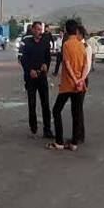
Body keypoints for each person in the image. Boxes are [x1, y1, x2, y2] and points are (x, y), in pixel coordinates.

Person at [48, 19, 86, 151]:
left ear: (66, 30)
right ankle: (74, 143)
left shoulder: (66, 45)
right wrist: (81, 80)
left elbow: (68, 65)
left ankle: (59, 141)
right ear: (76, 31)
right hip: (79, 85)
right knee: (76, 113)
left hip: (68, 85)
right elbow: (85, 65)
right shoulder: (82, 45)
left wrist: (75, 81)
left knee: (56, 110)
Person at [18, 20, 53, 138]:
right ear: (32, 29)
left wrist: (46, 65)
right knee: (32, 104)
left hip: (42, 77)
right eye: (36, 29)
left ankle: (47, 129)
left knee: (45, 104)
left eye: (40, 29)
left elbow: (48, 57)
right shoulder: (26, 41)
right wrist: (29, 70)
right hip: (30, 78)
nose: (38, 31)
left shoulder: (45, 42)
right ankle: (33, 128)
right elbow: (22, 59)